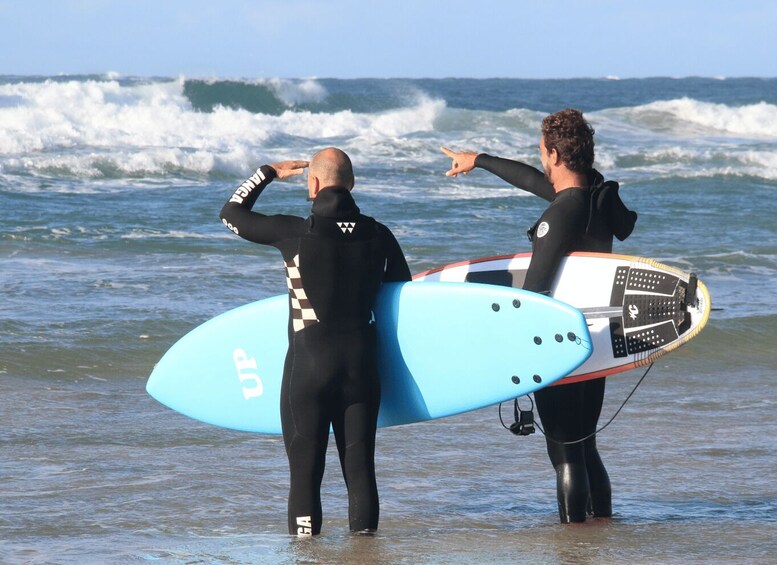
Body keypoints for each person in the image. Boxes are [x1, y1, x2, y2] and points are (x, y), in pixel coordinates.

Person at [441, 109, 637, 524]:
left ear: (553, 154)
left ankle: (574, 542)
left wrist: (509, 349)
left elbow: (533, 296)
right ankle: (602, 528)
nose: (541, 161)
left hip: (558, 345)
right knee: (585, 445)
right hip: (594, 342)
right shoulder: (596, 200)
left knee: (565, 453)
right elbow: (536, 181)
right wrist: (479, 159)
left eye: (542, 152)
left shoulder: (560, 214)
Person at [220, 147, 411, 536]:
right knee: (360, 471)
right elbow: (402, 295)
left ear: (314, 183)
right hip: (362, 367)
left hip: (310, 367)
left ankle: (307, 556)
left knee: (305, 474)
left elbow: (231, 214)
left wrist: (268, 172)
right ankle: (364, 557)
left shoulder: (294, 232)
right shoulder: (380, 234)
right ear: (352, 184)